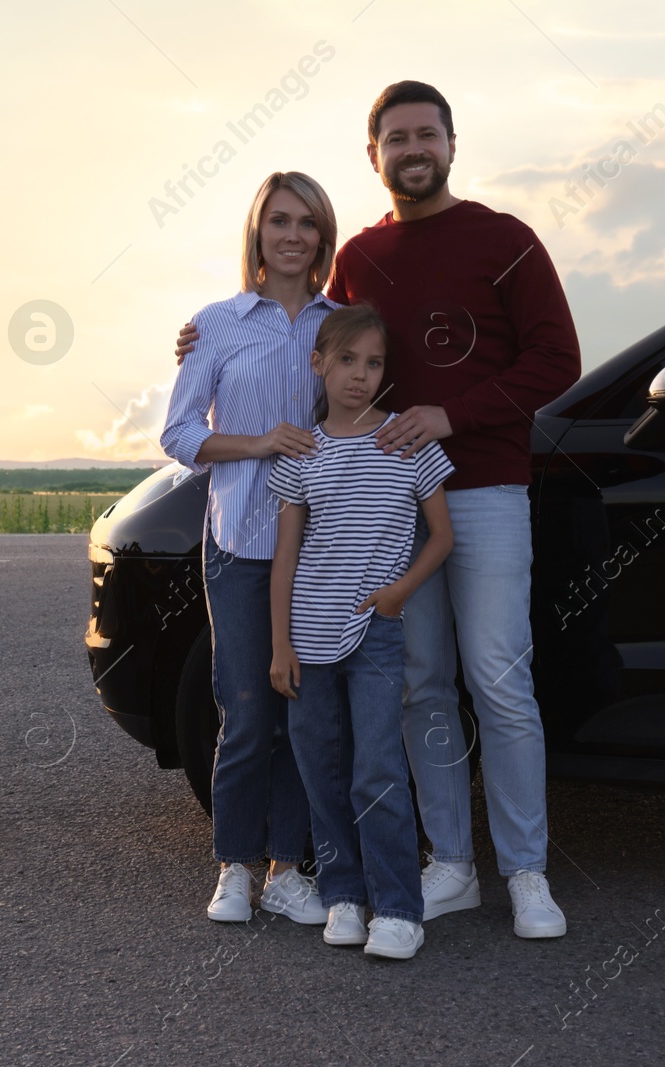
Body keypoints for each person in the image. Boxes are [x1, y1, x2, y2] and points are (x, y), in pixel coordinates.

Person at [177, 82, 581, 938]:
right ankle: (453, 865)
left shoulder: (507, 240)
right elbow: (312, 337)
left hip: (485, 490)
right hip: (384, 507)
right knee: (422, 686)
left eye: (425, 133)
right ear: (374, 156)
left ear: (451, 143)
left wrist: (454, 414)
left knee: (501, 679)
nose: (412, 148)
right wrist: (201, 335)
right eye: (395, 137)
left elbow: (559, 358)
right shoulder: (360, 257)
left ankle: (529, 872)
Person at [160, 171, 340, 926]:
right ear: (257, 232)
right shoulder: (219, 323)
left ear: (324, 236)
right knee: (246, 711)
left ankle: (285, 870)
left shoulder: (343, 324)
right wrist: (261, 443)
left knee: (305, 715)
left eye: (307, 222)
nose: (292, 234)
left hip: (323, 552)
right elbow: (178, 434)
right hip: (240, 545)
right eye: (278, 221)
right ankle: (233, 865)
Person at [268, 304, 454, 961]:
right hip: (307, 640)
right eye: (346, 360)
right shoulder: (301, 454)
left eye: (373, 363)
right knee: (322, 768)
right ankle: (344, 895)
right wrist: (280, 644)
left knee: (376, 768)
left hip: (373, 632)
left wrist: (399, 592)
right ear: (318, 364)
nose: (360, 375)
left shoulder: (406, 443)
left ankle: (399, 908)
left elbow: (443, 535)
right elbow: (286, 555)